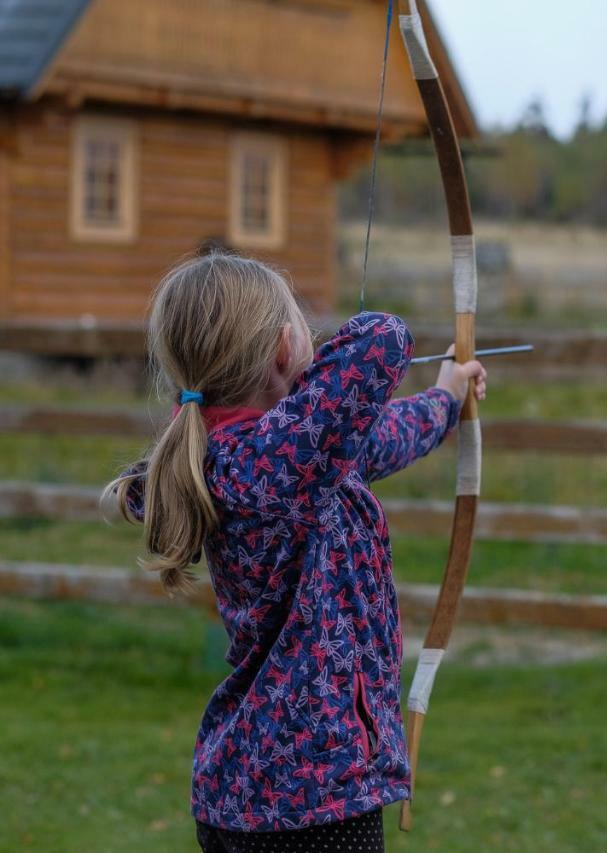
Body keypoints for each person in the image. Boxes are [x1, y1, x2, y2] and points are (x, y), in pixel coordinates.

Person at [105, 251, 486, 852]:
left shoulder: (264, 459)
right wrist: (314, 379)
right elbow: (382, 337)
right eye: (302, 328)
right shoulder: (274, 462)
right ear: (285, 348)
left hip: (252, 794)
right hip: (311, 802)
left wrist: (445, 397)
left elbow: (375, 438)